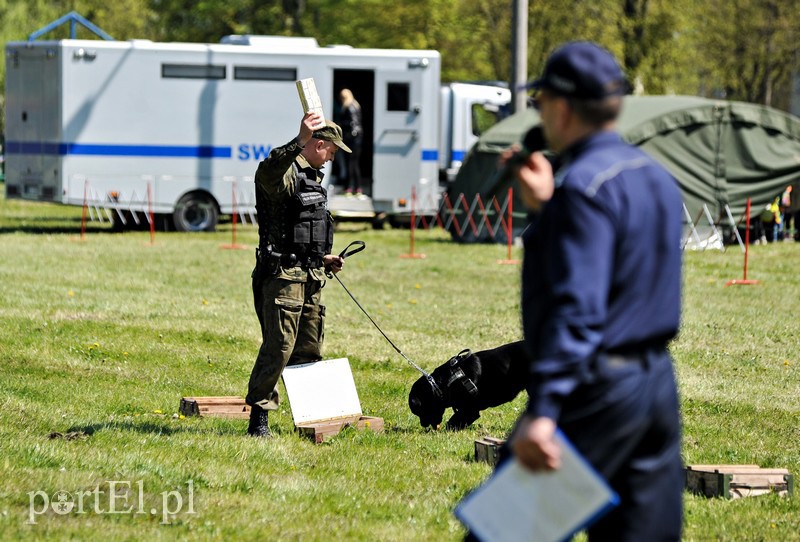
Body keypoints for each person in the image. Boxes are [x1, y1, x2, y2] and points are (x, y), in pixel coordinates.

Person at [507, 42, 684, 540]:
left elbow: (579, 307)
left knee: (508, 531)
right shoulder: (655, 178)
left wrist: (544, 412)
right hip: (655, 386)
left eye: (540, 101)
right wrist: (550, 210)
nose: (539, 112)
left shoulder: (584, 189)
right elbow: (621, 274)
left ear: (562, 108)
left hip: (596, 389)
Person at [246, 111, 350, 437]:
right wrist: (298, 139)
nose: (332, 158)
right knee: (279, 347)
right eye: (331, 151)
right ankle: (259, 420)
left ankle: (310, 418)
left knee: (309, 348)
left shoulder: (314, 180)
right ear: (318, 144)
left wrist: (324, 258)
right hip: (281, 276)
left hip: (310, 276)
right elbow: (268, 169)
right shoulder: (284, 175)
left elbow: (304, 229)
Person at [337, 88, 364, 197]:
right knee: (355, 164)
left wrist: (340, 124)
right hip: (358, 137)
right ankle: (358, 188)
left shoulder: (348, 106)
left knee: (349, 163)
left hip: (351, 138)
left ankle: (348, 188)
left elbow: (352, 123)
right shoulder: (356, 105)